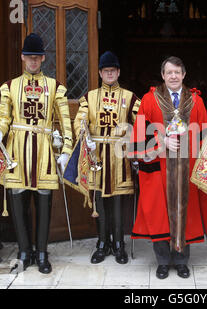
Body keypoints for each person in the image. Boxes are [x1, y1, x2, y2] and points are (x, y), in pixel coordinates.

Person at [128, 56, 207, 279]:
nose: (174, 76)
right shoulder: (149, 100)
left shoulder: (196, 101)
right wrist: (161, 143)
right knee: (159, 214)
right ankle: (163, 261)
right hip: (159, 168)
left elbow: (206, 136)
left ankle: (182, 260)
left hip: (188, 169)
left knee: (186, 212)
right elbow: (140, 134)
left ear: (184, 75)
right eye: (170, 72)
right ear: (163, 75)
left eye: (178, 72)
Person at [0, 33, 73, 274]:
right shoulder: (10, 87)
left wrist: (67, 148)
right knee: (18, 201)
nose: (33, 61)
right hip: (17, 151)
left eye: (37, 57)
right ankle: (24, 251)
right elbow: (3, 115)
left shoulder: (55, 87)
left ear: (43, 58)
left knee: (43, 202)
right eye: (29, 57)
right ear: (22, 57)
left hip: (44, 152)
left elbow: (65, 121)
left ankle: (42, 252)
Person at [73, 51, 141, 265]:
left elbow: (141, 123)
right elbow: (79, 121)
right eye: (106, 71)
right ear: (100, 73)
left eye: (113, 70)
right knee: (100, 201)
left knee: (119, 202)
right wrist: (84, 136)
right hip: (97, 156)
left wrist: (134, 144)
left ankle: (119, 244)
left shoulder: (130, 98)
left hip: (120, 157)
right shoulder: (89, 97)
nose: (110, 74)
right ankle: (102, 243)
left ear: (118, 72)